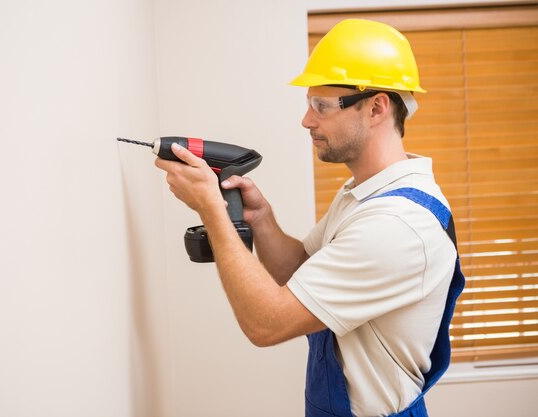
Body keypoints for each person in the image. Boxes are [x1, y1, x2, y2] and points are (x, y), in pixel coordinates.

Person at [155, 19, 464, 417]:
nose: (306, 120)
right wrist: (261, 218)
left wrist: (212, 211)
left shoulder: (398, 226)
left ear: (376, 107)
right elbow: (304, 271)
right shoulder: (364, 194)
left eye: (321, 105)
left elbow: (265, 324)